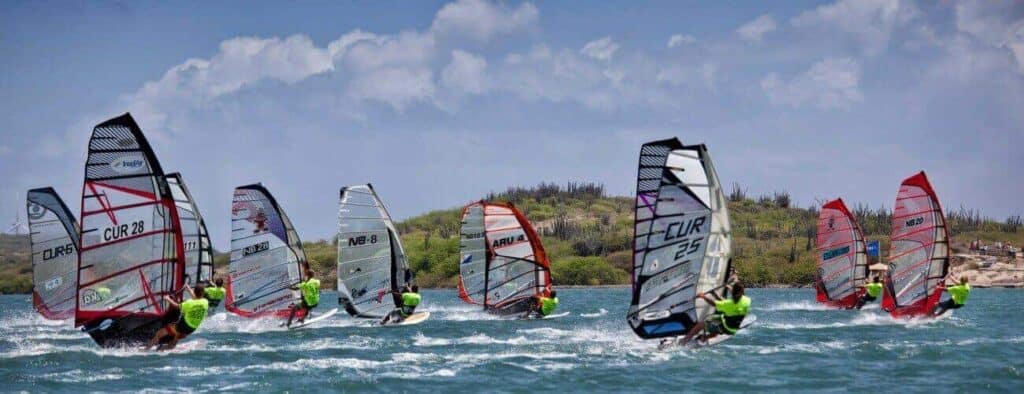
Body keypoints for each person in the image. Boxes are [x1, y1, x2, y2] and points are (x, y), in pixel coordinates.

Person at [680, 282, 751, 346]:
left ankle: (684, 341)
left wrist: (703, 297)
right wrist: (727, 288)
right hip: (733, 328)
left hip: (725, 327)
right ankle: (704, 337)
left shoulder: (729, 304)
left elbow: (714, 303)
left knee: (701, 324)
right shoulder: (747, 300)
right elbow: (727, 300)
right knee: (716, 319)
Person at [145, 284, 209, 351]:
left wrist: (168, 299)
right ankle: (162, 350)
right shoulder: (205, 302)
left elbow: (177, 306)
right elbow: (196, 299)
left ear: (195, 291)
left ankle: (145, 350)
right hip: (191, 329)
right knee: (175, 339)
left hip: (182, 326)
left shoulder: (189, 303)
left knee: (159, 334)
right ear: (203, 293)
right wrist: (189, 289)